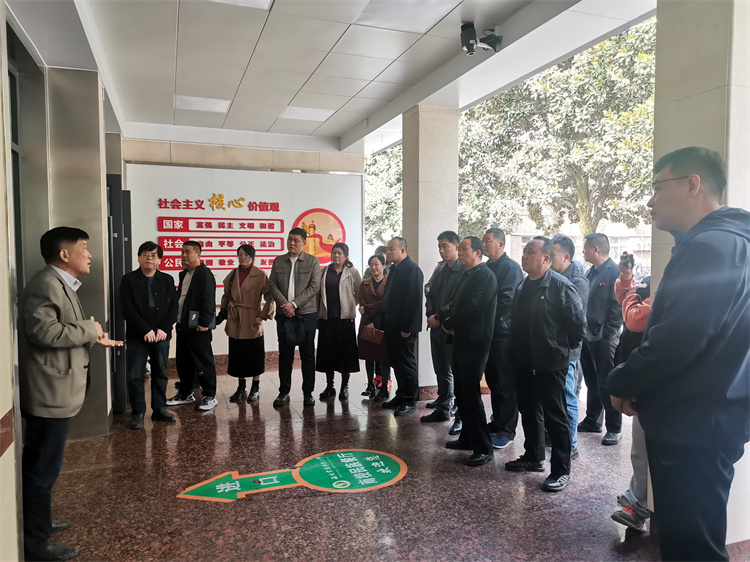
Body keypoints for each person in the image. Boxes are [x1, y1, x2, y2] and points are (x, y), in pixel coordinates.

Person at [608, 147, 749, 561]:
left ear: (692, 184)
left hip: (693, 423)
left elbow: (678, 339)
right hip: (715, 413)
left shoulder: (710, 248)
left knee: (692, 546)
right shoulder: (735, 242)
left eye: (657, 187)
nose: (650, 201)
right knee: (696, 536)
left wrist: (621, 380)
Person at [19, 227, 122, 562]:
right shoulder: (46, 284)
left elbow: (63, 329)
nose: (89, 255)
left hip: (58, 389)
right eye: (84, 248)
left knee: (46, 466)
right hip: (49, 393)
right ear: (64, 254)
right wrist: (90, 329)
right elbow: (43, 332)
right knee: (41, 469)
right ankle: (36, 543)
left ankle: (40, 522)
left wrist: (92, 336)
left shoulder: (61, 283)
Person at [505, 237, 585, 493]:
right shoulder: (523, 284)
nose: (524, 256)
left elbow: (577, 327)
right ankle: (533, 456)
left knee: (555, 416)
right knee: (529, 411)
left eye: (530, 252)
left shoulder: (561, 286)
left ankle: (561, 470)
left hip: (550, 363)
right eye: (524, 251)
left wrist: (559, 351)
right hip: (523, 361)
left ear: (546, 258)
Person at [442, 237, 498, 466]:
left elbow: (473, 308)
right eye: (460, 249)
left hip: (476, 342)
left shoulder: (485, 276)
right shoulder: (466, 274)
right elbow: (456, 303)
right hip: (461, 339)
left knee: (471, 394)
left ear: (477, 253)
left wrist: (449, 322)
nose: (460, 252)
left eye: (464, 249)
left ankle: (484, 447)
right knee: (462, 392)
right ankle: (467, 437)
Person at [610, 251, 651, 532]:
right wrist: (627, 278)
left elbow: (635, 318)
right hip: (642, 380)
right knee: (640, 450)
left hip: (655, 384)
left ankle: (638, 505)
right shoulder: (654, 281)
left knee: (645, 450)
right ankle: (636, 501)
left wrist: (632, 296)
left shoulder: (676, 288)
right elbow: (626, 298)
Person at [119, 241, 178, 429]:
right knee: (135, 375)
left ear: (159, 260)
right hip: (138, 336)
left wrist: (164, 329)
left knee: (160, 373)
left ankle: (159, 409)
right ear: (138, 258)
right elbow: (127, 309)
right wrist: (145, 329)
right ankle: (138, 412)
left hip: (161, 335)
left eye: (153, 255)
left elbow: (173, 308)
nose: (149, 258)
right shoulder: (129, 280)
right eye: (145, 254)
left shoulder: (167, 280)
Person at [578, 232, 623, 445]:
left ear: (596, 249)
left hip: (604, 338)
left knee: (607, 382)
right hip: (587, 335)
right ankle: (593, 420)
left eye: (586, 248)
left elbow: (618, 305)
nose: (583, 251)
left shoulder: (614, 272)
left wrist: (608, 333)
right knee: (592, 381)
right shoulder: (591, 272)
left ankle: (614, 428)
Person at [268, 227, 321, 407]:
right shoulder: (279, 261)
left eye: (296, 240)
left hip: (306, 315)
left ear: (304, 243)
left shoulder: (312, 261)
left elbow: (314, 287)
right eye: (289, 239)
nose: (291, 243)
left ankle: (308, 393)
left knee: (307, 355)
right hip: (285, 315)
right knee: (285, 355)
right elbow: (272, 285)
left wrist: (295, 304)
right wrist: (286, 305)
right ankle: (284, 392)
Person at [216, 244, 275, 404]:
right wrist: (225, 311)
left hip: (252, 318)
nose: (243, 258)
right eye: (240, 254)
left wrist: (262, 315)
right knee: (238, 355)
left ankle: (255, 387)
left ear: (253, 258)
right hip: (235, 319)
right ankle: (241, 387)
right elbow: (226, 295)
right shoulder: (233, 274)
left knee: (255, 355)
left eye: (246, 255)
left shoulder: (260, 275)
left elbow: (270, 297)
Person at [481, 228, 523, 449]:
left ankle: (507, 430)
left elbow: (507, 300)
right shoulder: (486, 267)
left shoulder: (510, 268)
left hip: (503, 334)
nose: (484, 245)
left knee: (505, 383)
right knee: (493, 381)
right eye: (483, 241)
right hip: (487, 333)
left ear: (501, 244)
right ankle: (497, 421)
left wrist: (481, 311)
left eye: (488, 241)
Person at [166, 241, 218, 411]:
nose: (184, 255)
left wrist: (204, 323)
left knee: (203, 361)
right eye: (182, 252)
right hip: (183, 325)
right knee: (184, 361)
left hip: (198, 327)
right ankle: (185, 393)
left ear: (198, 254)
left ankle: (210, 395)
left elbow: (208, 300)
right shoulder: (184, 274)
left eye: (188, 252)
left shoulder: (204, 274)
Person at [550, 234, 590, 459]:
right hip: (552, 348)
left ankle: (571, 443)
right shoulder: (552, 276)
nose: (548, 257)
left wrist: (567, 348)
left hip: (568, 351)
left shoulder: (577, 282)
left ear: (566, 257)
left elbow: (575, 320)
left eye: (553, 253)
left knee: (567, 395)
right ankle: (556, 436)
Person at [421, 231, 464, 426]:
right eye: (439, 246)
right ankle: (443, 407)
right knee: (441, 369)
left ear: (457, 246)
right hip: (436, 327)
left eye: (445, 246)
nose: (441, 250)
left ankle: (460, 414)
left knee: (457, 372)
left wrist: (439, 317)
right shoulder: (440, 268)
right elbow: (429, 290)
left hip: (450, 328)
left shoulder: (463, 270)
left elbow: (457, 300)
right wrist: (430, 314)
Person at [381, 236, 424, 416]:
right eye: (387, 249)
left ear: (403, 250)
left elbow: (414, 301)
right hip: (392, 325)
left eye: (391, 249)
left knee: (406, 363)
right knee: (396, 362)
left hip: (404, 327)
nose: (388, 252)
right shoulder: (394, 269)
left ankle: (409, 400)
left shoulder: (412, 269)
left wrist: (408, 327)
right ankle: (400, 395)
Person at [316, 242, 362, 401]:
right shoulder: (323, 271)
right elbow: (318, 294)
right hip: (327, 319)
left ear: (346, 256)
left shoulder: (352, 272)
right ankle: (330, 386)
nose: (336, 256)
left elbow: (359, 294)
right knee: (328, 354)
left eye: (340, 253)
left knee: (345, 354)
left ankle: (344, 386)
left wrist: (349, 306)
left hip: (345, 320)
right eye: (334, 253)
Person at [357, 254, 391, 400]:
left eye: (377, 264)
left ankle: (384, 387)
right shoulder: (364, 283)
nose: (374, 267)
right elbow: (361, 304)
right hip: (368, 324)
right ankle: (370, 385)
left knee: (384, 357)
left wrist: (368, 309)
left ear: (384, 266)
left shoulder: (390, 282)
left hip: (385, 323)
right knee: (369, 355)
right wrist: (369, 318)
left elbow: (386, 304)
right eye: (371, 264)